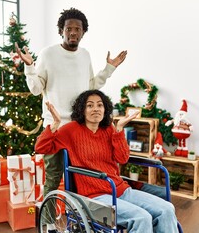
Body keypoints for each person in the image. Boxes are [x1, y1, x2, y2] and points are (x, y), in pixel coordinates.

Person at [15, 8, 127, 232]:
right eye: (69, 29)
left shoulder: (84, 55)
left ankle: (83, 222)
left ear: (83, 32)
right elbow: (37, 89)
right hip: (57, 127)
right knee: (54, 176)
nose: (73, 33)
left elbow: (91, 87)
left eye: (77, 29)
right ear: (61, 31)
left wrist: (109, 68)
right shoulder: (48, 54)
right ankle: (47, 225)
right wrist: (29, 66)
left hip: (81, 127)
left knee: (82, 178)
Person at [35, 89, 179, 233]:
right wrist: (55, 124)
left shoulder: (109, 129)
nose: (96, 109)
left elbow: (122, 158)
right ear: (82, 110)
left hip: (120, 189)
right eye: (90, 105)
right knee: (141, 218)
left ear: (105, 109)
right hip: (94, 196)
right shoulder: (70, 130)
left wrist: (119, 130)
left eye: (100, 105)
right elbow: (41, 147)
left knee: (166, 209)